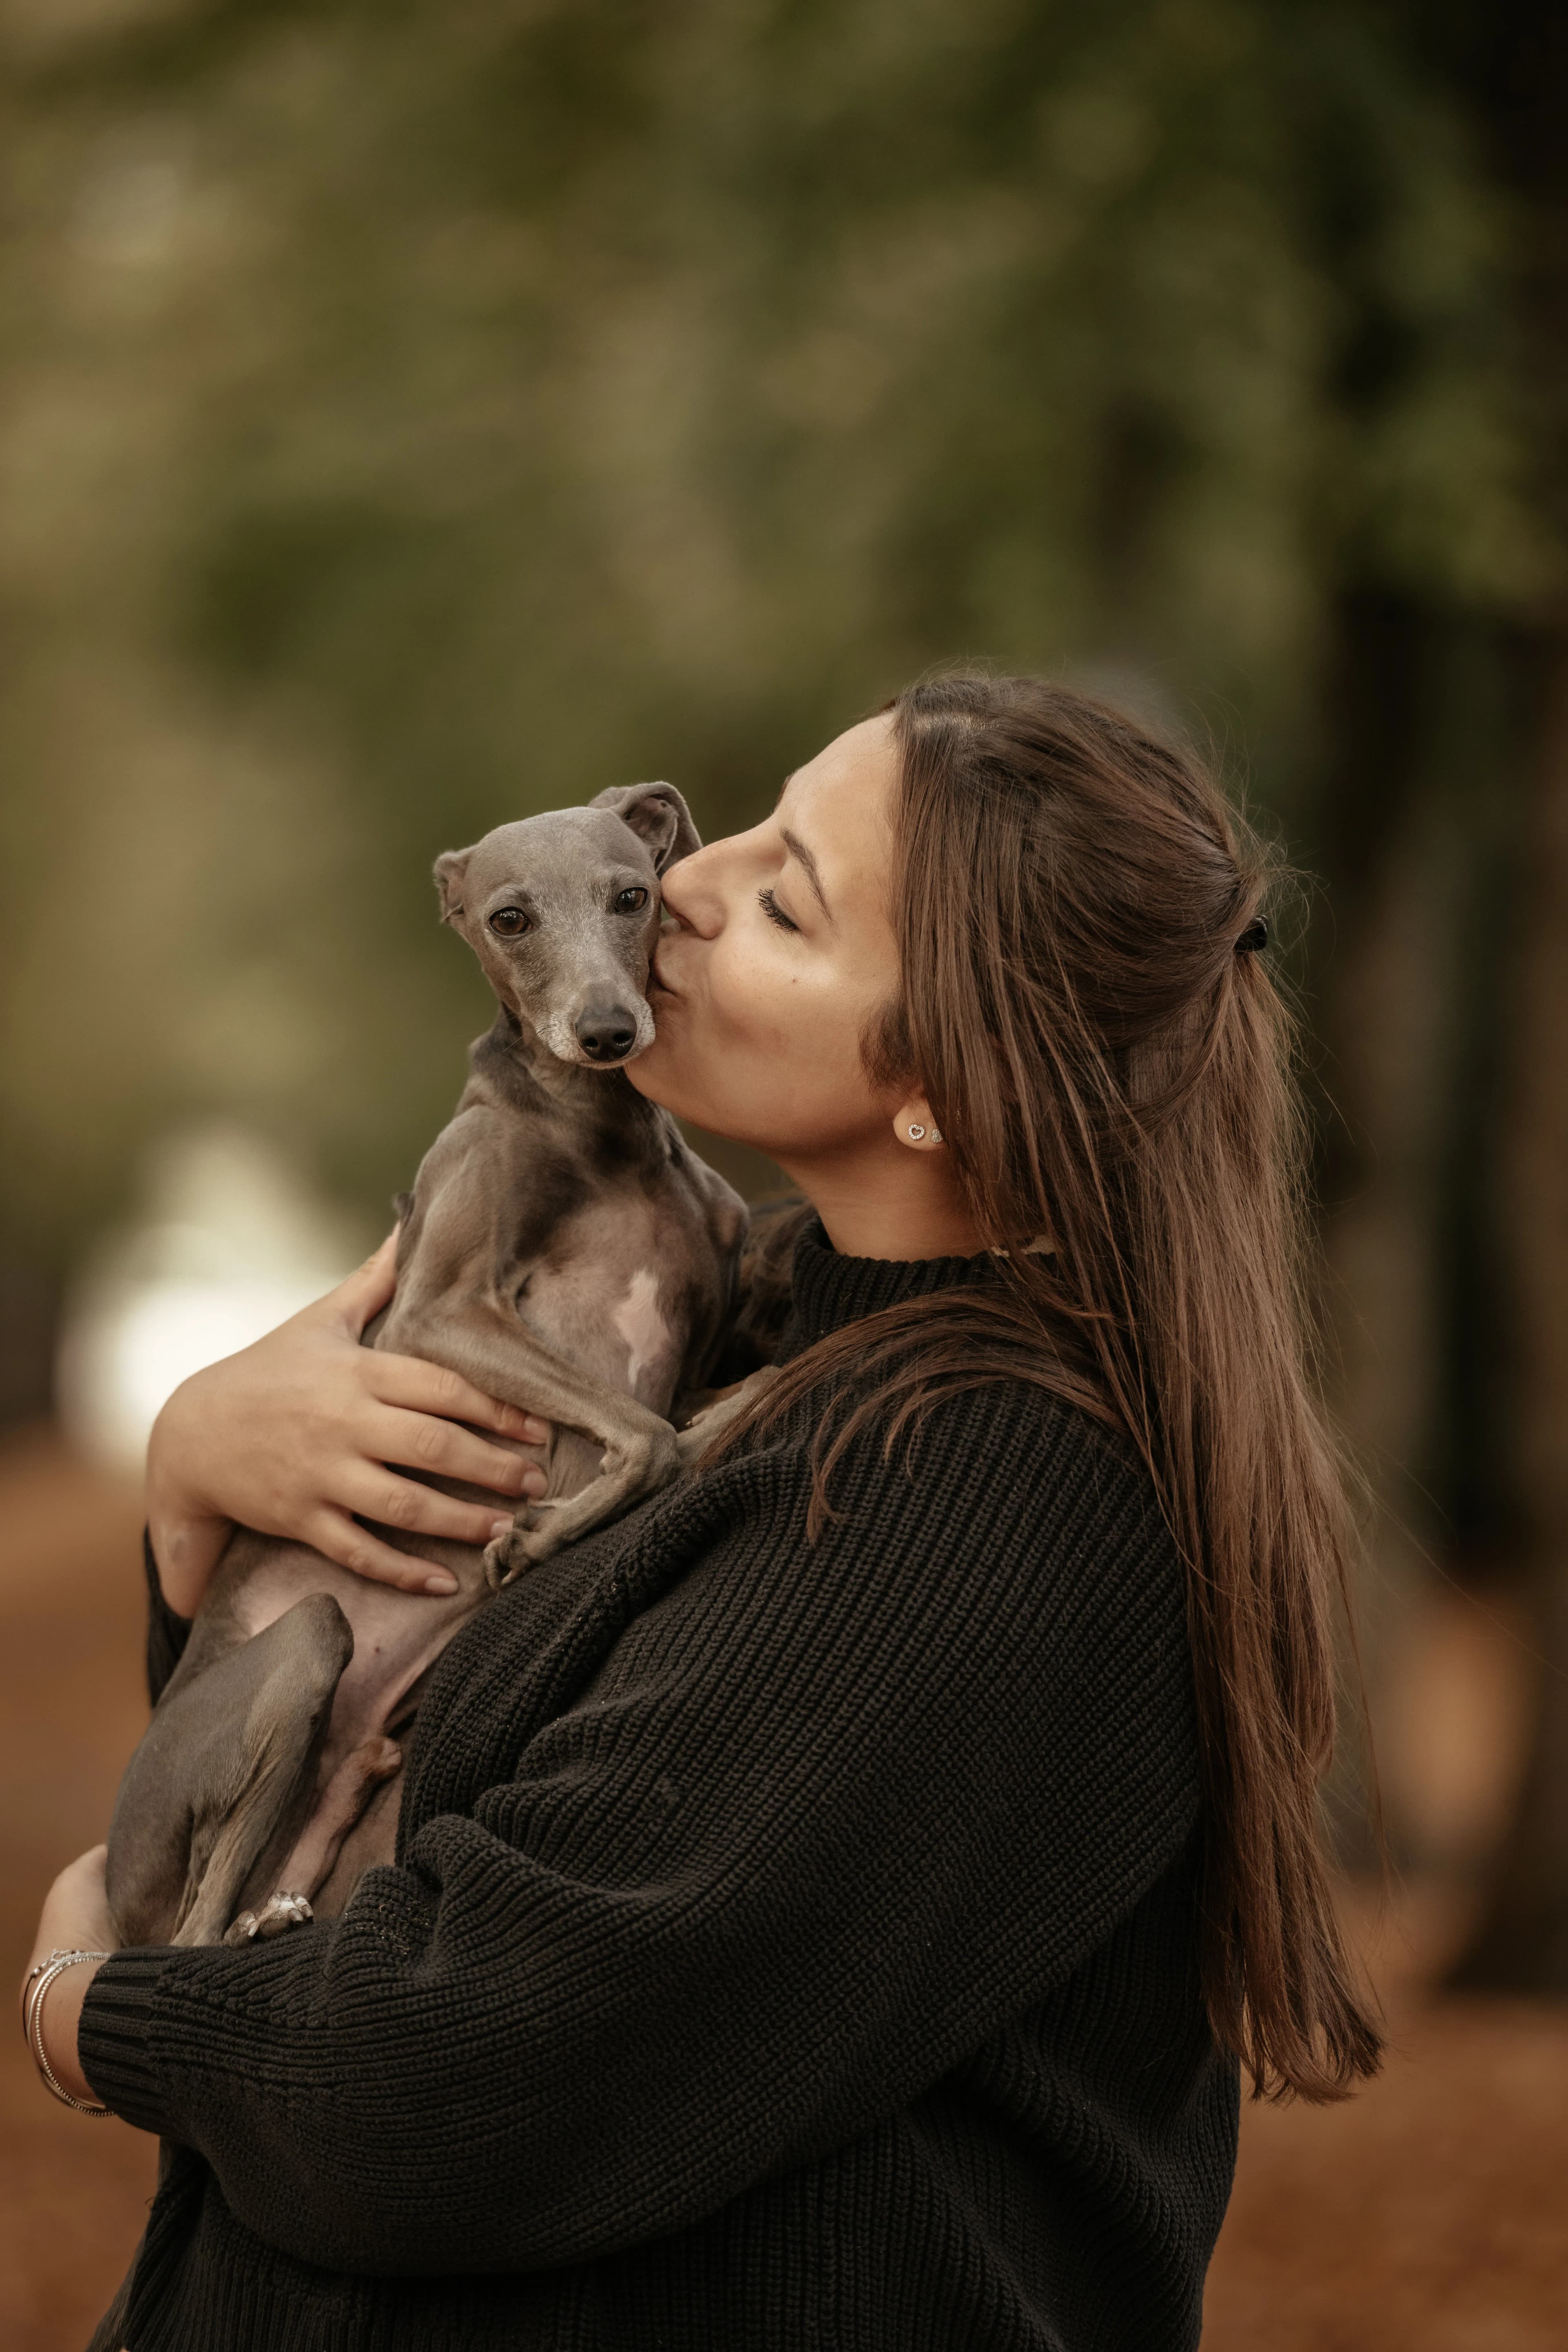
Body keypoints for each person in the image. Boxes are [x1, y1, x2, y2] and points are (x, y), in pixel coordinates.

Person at [22, 673, 1381, 2352]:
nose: (684, 892)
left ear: (944, 1083)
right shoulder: (783, 1328)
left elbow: (450, 2090)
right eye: (743, 826)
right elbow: (428, 1763)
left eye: (788, 898)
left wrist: (92, 2013)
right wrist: (203, 1481)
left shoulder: (967, 1509)